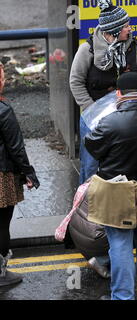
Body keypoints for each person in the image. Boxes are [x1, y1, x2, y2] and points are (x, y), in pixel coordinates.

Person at [69, 0, 137, 278]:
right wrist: (92, 112)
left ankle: (116, 232)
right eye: (126, 25)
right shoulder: (87, 50)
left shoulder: (133, 47)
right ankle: (87, 235)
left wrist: (133, 104)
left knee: (119, 174)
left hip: (124, 119)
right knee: (92, 176)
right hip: (94, 119)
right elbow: (75, 82)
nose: (130, 28)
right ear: (113, 31)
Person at [84, 72, 137, 300]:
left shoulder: (110, 122)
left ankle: (123, 297)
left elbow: (92, 147)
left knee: (120, 246)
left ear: (118, 94)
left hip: (117, 193)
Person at [0, 62, 40, 287]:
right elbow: (16, 148)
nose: (4, 81)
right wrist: (29, 173)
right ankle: (0, 273)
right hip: (2, 176)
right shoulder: (3, 110)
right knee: (1, 224)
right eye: (2, 78)